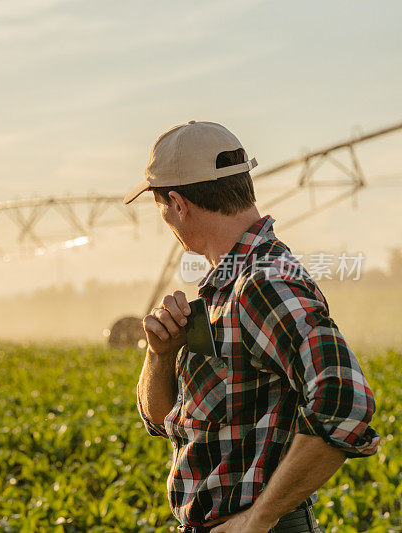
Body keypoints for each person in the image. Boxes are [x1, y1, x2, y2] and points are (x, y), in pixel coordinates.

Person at [123, 121, 380, 533]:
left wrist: (259, 518)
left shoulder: (263, 282)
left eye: (160, 207)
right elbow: (159, 418)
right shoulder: (226, 288)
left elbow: (344, 401)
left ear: (177, 202)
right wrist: (160, 354)